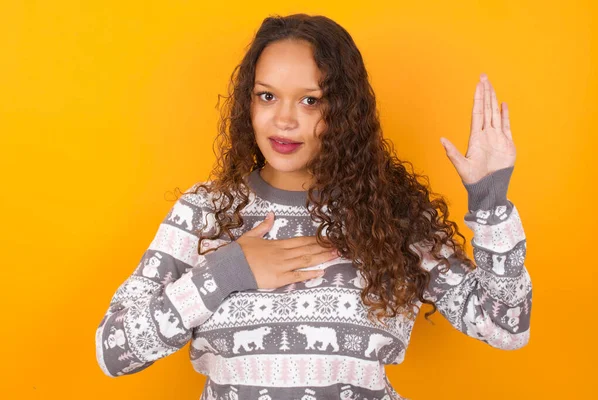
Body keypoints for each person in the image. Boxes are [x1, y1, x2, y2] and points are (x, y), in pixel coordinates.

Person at [95, 13, 532, 400]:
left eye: (310, 100)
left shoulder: (391, 218)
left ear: (344, 110)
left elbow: (506, 326)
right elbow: (114, 350)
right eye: (267, 96)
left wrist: (490, 203)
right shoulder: (205, 213)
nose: (284, 119)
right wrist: (226, 272)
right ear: (247, 102)